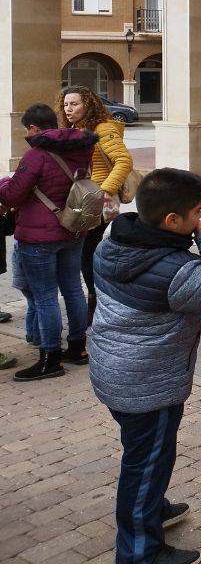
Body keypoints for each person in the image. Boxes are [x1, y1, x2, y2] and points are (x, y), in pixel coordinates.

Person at [89, 168, 201, 564]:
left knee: (143, 453)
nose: (200, 220)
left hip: (115, 372)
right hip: (147, 385)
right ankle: (140, 551)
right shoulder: (174, 270)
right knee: (145, 465)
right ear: (172, 221)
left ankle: (151, 509)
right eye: (196, 214)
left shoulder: (112, 243)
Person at [0, 103, 97, 381]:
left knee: (44, 297)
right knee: (73, 290)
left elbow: (12, 196)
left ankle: (50, 358)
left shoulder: (36, 155)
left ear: (32, 128)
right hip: (72, 228)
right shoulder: (81, 148)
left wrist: (4, 183)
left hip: (39, 234)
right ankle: (77, 348)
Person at [61, 85, 133, 326]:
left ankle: (97, 301)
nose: (68, 109)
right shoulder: (75, 129)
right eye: (66, 104)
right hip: (83, 200)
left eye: (74, 104)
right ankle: (100, 299)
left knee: (86, 252)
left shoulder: (103, 129)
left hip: (98, 202)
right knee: (87, 252)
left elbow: (123, 161)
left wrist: (104, 192)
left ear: (88, 105)